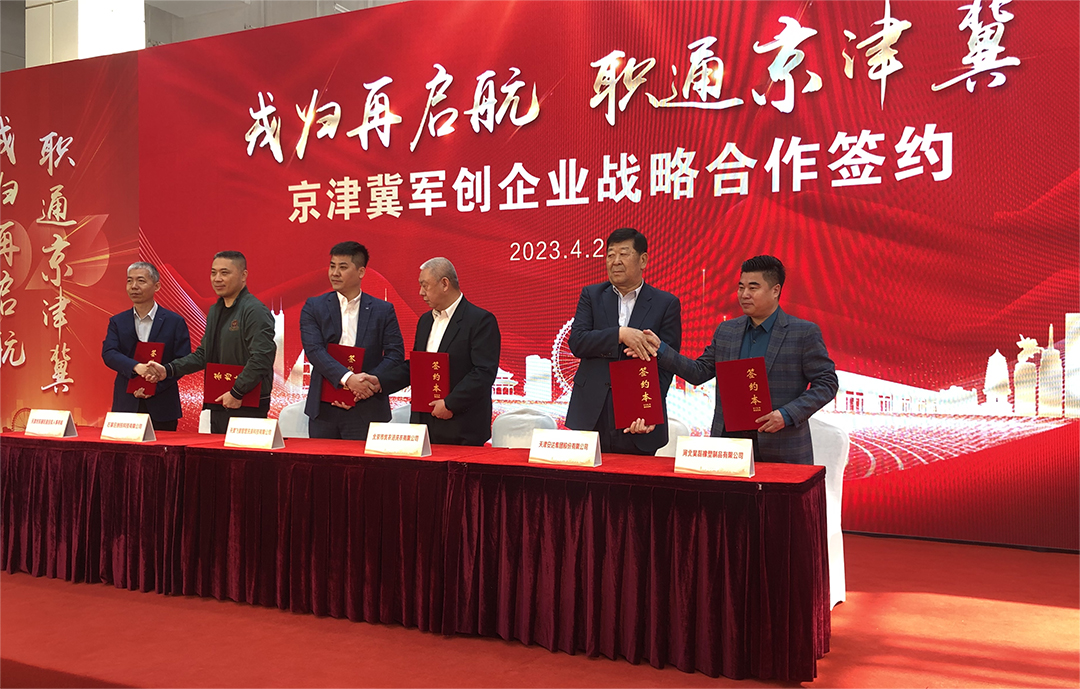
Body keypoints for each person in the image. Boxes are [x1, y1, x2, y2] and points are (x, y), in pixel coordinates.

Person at [642, 255, 838, 465]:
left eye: (753, 288)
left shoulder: (803, 333)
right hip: (730, 447)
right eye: (741, 287)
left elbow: (827, 383)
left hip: (782, 450)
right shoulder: (727, 331)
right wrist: (661, 349)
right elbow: (698, 372)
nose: (744, 294)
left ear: (775, 290)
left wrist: (787, 415)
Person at [564, 227, 681, 455]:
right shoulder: (591, 295)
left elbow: (667, 364)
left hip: (637, 418)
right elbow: (577, 342)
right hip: (592, 413)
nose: (615, 261)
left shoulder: (665, 304)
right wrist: (620, 334)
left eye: (623, 254)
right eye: (610, 255)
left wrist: (649, 411)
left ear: (643, 260)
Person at [146, 251, 277, 434]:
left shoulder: (254, 310)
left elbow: (262, 357)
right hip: (220, 400)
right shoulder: (215, 310)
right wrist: (168, 370)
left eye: (225, 273)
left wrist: (237, 392)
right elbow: (204, 354)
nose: (217, 279)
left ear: (243, 275)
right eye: (213, 273)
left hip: (247, 402)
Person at [383, 257, 500, 446]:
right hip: (424, 424)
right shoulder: (425, 321)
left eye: (425, 285)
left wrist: (450, 404)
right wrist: (378, 382)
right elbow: (417, 366)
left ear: (445, 283)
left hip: (462, 427)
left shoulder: (480, 320)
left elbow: (483, 372)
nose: (421, 292)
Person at [299, 242, 404, 439]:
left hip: (367, 406)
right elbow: (314, 350)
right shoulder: (314, 307)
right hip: (325, 408)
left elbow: (395, 355)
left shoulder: (383, 310)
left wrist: (366, 385)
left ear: (361, 271)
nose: (335, 273)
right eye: (332, 266)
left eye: (343, 267)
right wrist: (349, 380)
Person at [101, 261, 192, 431]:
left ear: (156, 286)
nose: (134, 286)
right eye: (129, 281)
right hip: (126, 404)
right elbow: (109, 353)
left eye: (141, 281)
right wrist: (136, 367)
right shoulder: (118, 321)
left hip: (162, 405)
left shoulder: (174, 322)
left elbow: (183, 360)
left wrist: (154, 387)